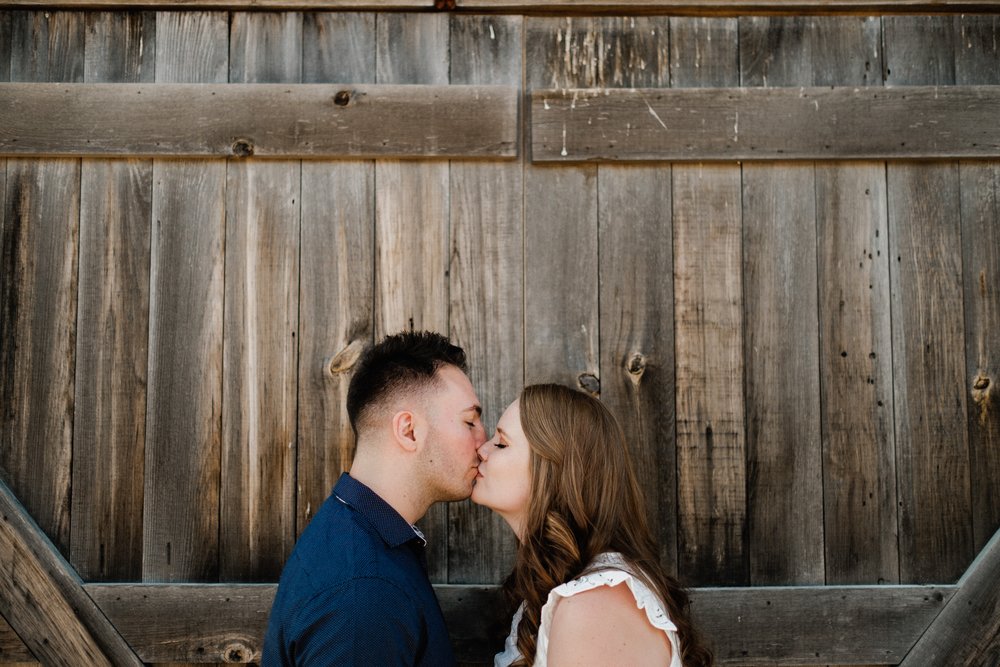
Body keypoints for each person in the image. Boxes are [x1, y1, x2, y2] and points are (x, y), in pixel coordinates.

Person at [263, 331, 487, 666]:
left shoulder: (360, 541)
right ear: (409, 430)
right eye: (470, 421)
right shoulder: (363, 592)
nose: (482, 442)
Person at [472, 383, 713, 667]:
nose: (482, 450)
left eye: (501, 443)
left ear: (554, 470)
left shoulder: (595, 606)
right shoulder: (569, 592)